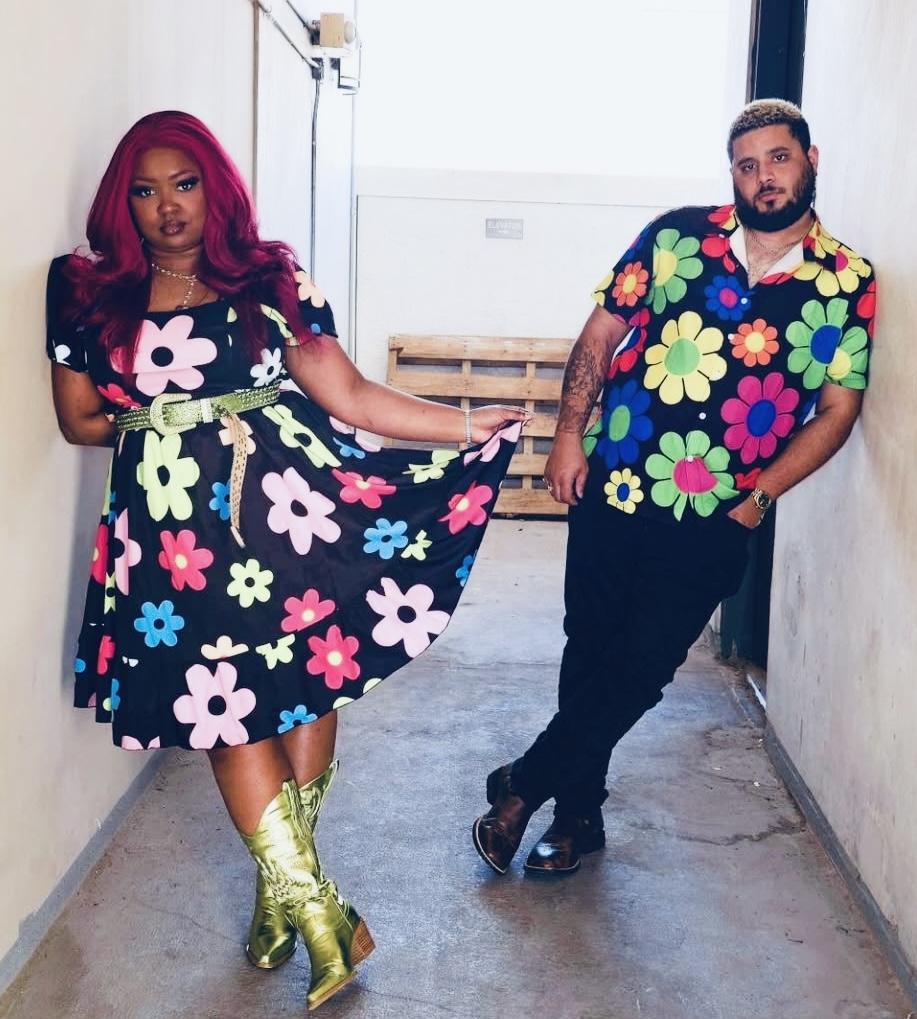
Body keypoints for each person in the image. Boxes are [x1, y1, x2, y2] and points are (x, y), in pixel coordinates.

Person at [46, 110, 527, 1011]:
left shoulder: (266, 277)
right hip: (170, 540)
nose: (167, 207)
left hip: (283, 510)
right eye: (145, 191)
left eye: (184, 185)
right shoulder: (86, 289)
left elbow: (348, 393)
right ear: (122, 202)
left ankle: (281, 896)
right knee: (224, 713)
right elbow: (77, 419)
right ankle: (321, 914)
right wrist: (171, 420)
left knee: (303, 685)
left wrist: (464, 424)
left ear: (215, 188)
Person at [472, 98, 876, 877]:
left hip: (718, 512)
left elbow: (837, 409)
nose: (762, 177)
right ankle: (575, 815)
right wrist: (566, 435)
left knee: (644, 664)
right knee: (591, 646)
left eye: (778, 158)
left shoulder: (845, 281)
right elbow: (600, 334)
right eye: (746, 165)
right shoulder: (675, 238)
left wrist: (759, 498)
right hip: (615, 484)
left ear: (810, 160)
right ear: (732, 173)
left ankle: (522, 782)